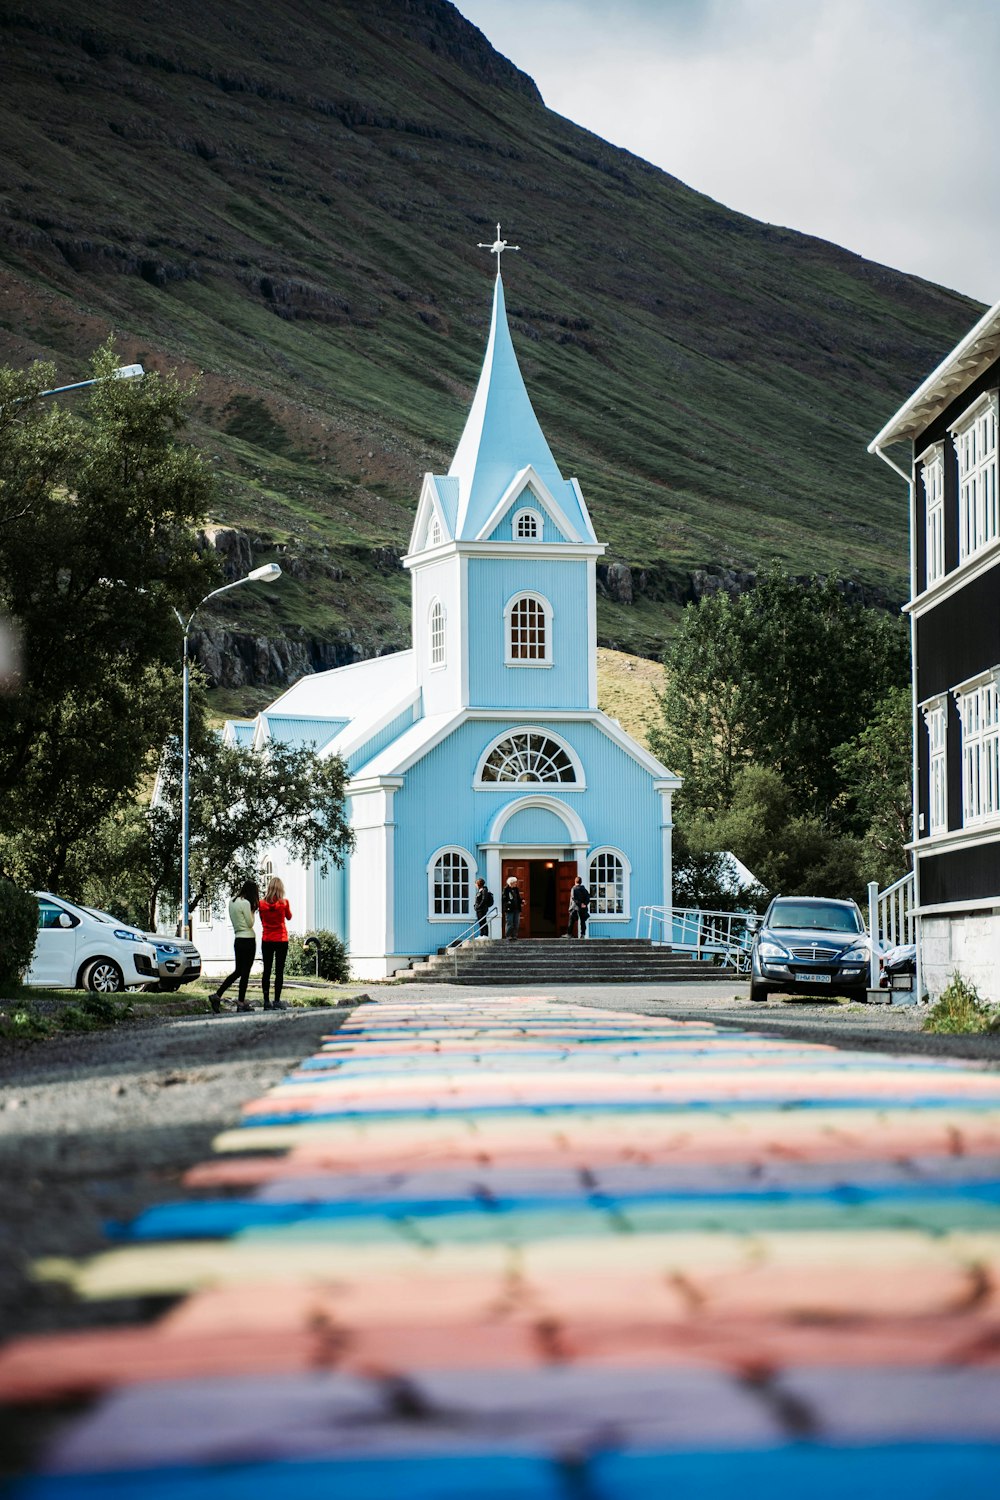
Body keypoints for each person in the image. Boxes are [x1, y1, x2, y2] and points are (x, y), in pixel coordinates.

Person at [209, 880, 259, 1013]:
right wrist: (253, 911)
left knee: (238, 971)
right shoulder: (247, 903)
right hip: (248, 939)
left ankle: (217, 995)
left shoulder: (232, 902)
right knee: (245, 973)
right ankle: (241, 1003)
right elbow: (250, 923)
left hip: (237, 939)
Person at [258, 876, 292, 1009]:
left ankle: (266, 1001)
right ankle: (277, 1000)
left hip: (267, 939)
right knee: (279, 971)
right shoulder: (284, 903)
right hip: (281, 940)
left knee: (266, 970)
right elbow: (289, 917)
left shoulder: (261, 904)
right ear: (281, 889)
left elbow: (262, 919)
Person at [501, 875, 522, 941]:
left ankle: (514, 935)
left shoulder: (516, 889)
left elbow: (518, 898)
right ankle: (508, 935)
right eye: (515, 882)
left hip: (517, 908)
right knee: (509, 922)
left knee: (516, 922)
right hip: (509, 909)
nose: (516, 883)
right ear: (511, 883)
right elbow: (504, 899)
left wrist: (522, 901)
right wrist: (508, 904)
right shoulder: (506, 889)